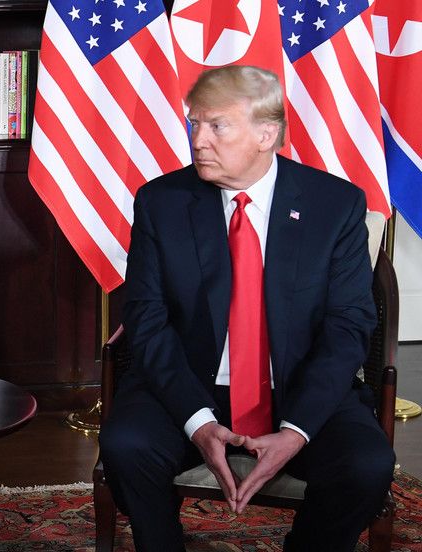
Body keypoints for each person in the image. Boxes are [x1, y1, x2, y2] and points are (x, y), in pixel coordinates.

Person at [99, 65, 395, 551]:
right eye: (195, 123)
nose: (199, 140)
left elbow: (349, 327)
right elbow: (147, 320)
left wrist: (296, 432)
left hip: (299, 386)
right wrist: (198, 422)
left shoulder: (335, 205)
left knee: (366, 465)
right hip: (191, 384)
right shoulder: (161, 202)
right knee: (127, 446)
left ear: (266, 134)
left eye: (217, 125)